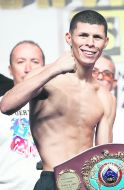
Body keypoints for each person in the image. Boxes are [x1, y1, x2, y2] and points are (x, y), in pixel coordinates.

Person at [0, 10, 116, 190]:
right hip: (51, 180)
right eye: (83, 35)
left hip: (88, 184)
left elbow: (104, 157)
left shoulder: (105, 97)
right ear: (69, 38)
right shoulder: (46, 77)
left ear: (106, 42)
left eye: (97, 37)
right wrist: (55, 68)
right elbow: (6, 105)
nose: (90, 43)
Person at [0, 40, 45, 190]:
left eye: (35, 61)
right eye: (20, 62)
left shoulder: (59, 104)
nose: (28, 68)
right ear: (10, 69)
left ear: (45, 68)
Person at [93, 55, 124, 145]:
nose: (100, 77)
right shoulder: (71, 112)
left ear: (114, 83)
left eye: (107, 74)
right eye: (94, 71)